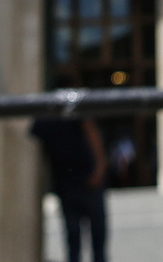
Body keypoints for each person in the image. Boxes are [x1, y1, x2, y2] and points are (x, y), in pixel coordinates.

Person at [30, 104, 108, 262]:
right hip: (78, 182)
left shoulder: (47, 117)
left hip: (74, 182)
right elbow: (91, 132)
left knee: (77, 241)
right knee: (89, 239)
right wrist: (99, 167)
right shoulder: (73, 110)